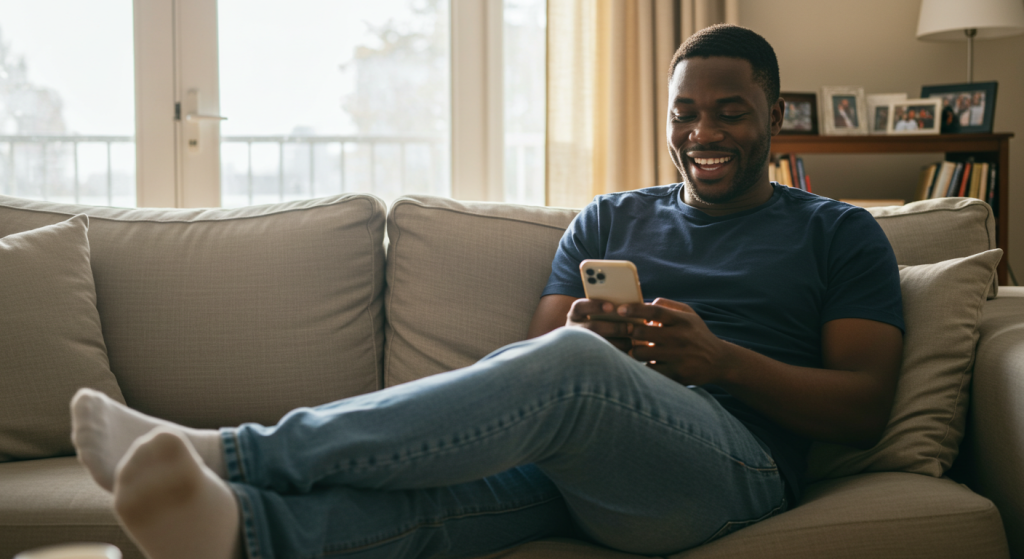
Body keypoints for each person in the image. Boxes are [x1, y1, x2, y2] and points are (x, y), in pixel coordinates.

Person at [69, 24, 904, 559]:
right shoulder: (610, 218)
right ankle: (238, 529)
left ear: (776, 115)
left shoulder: (839, 232)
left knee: (571, 364)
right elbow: (538, 355)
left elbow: (862, 407)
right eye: (685, 113)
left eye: (730, 112)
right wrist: (588, 331)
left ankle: (240, 448)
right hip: (585, 463)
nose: (703, 134)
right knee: (450, 498)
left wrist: (719, 361)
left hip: (733, 468)